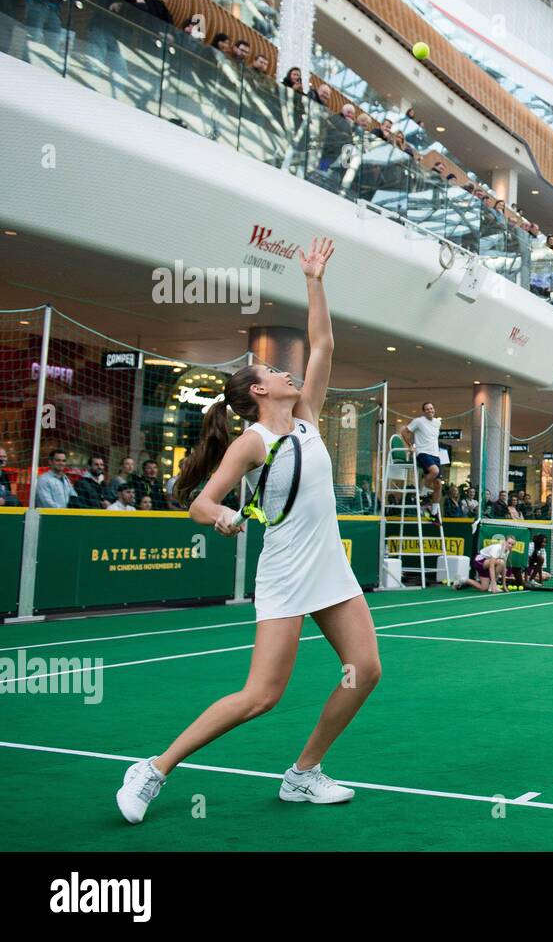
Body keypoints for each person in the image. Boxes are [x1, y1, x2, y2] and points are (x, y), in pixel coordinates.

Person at [116, 238, 380, 824]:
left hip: (330, 568)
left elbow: (323, 343)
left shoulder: (307, 415)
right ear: (258, 391)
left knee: (364, 671)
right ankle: (154, 769)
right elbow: (199, 504)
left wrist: (314, 280)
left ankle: (304, 774)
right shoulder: (251, 442)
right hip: (285, 572)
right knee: (262, 696)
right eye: (274, 371)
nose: (288, 372)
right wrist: (226, 515)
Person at [401, 403, 444, 516]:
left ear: (434, 409)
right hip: (422, 452)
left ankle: (434, 512)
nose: (430, 410)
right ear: (424, 411)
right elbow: (404, 431)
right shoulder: (418, 421)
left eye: (431, 408)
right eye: (427, 409)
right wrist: (410, 445)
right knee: (434, 471)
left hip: (435, 454)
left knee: (438, 484)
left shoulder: (437, 422)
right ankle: (423, 492)